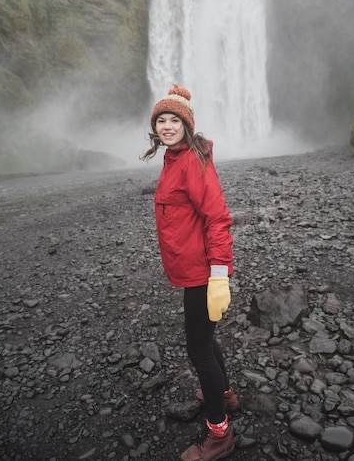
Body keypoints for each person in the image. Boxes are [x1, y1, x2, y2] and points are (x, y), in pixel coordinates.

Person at [141, 84, 238, 461]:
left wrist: (218, 276)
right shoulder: (174, 158)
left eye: (174, 120)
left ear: (186, 124)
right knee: (205, 339)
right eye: (161, 120)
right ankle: (226, 394)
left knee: (198, 349)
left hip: (202, 273)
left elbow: (217, 219)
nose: (167, 126)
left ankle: (219, 433)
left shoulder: (192, 163)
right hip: (192, 270)